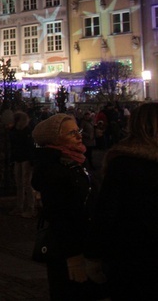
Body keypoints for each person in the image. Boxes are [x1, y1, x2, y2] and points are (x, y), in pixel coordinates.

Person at [30, 113, 106, 300]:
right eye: (72, 133)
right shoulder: (54, 168)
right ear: (55, 139)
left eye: (77, 130)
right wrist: (73, 256)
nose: (79, 136)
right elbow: (59, 215)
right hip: (69, 250)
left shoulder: (77, 160)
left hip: (87, 242)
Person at [88, 103, 158, 299]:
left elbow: (106, 211)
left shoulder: (123, 162)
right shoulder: (124, 163)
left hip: (130, 253)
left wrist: (94, 254)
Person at [6, 110, 36, 218]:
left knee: (26, 183)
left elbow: (30, 146)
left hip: (25, 158)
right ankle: (20, 206)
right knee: (19, 184)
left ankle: (30, 207)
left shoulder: (26, 131)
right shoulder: (16, 130)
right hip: (19, 158)